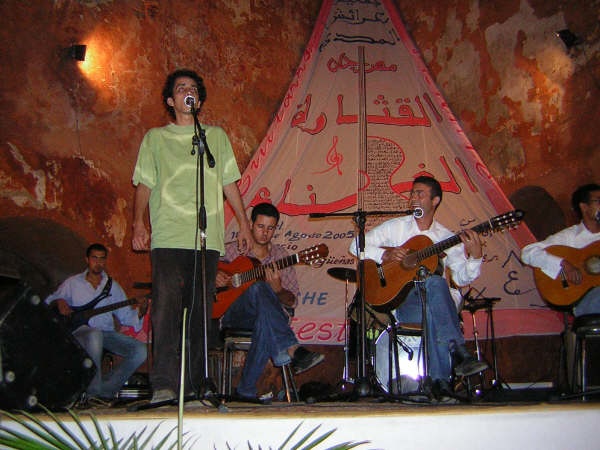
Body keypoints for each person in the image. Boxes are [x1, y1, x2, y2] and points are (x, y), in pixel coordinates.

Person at [132, 69, 253, 404]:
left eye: (193, 88)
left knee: (200, 313)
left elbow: (229, 183)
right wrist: (138, 223)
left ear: (198, 99)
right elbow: (144, 183)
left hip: (206, 239)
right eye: (181, 87)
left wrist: (244, 224)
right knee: (166, 311)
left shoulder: (215, 137)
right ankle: (164, 384)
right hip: (169, 236)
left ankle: (197, 385)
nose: (188, 91)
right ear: (171, 101)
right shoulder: (155, 138)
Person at [349, 176, 488, 399]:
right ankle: (456, 353)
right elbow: (355, 245)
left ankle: (439, 384)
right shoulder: (396, 227)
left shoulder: (446, 237)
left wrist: (476, 256)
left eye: (419, 193)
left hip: (435, 304)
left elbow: (462, 279)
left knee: (434, 291)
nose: (413, 197)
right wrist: (384, 254)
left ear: (435, 201)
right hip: (405, 304)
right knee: (436, 290)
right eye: (412, 193)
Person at [217, 202, 324, 402]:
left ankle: (245, 390)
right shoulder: (232, 250)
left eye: (270, 228)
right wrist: (216, 275)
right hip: (236, 315)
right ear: (250, 225)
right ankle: (290, 347)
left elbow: (291, 301)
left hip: (267, 318)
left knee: (265, 319)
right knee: (258, 288)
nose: (265, 232)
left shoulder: (281, 256)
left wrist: (278, 290)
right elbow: (205, 271)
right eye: (260, 226)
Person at [45, 243, 148, 404]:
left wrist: (141, 311)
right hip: (78, 332)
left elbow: (127, 318)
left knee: (140, 350)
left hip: (106, 334)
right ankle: (93, 393)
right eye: (94, 258)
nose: (98, 263)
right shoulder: (73, 283)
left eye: (102, 259)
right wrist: (59, 301)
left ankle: (105, 391)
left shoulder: (112, 286)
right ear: (87, 260)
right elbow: (48, 301)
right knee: (94, 335)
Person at [521, 183, 600, 316]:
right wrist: (564, 264)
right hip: (584, 300)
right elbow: (528, 253)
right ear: (584, 207)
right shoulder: (570, 236)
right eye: (598, 201)